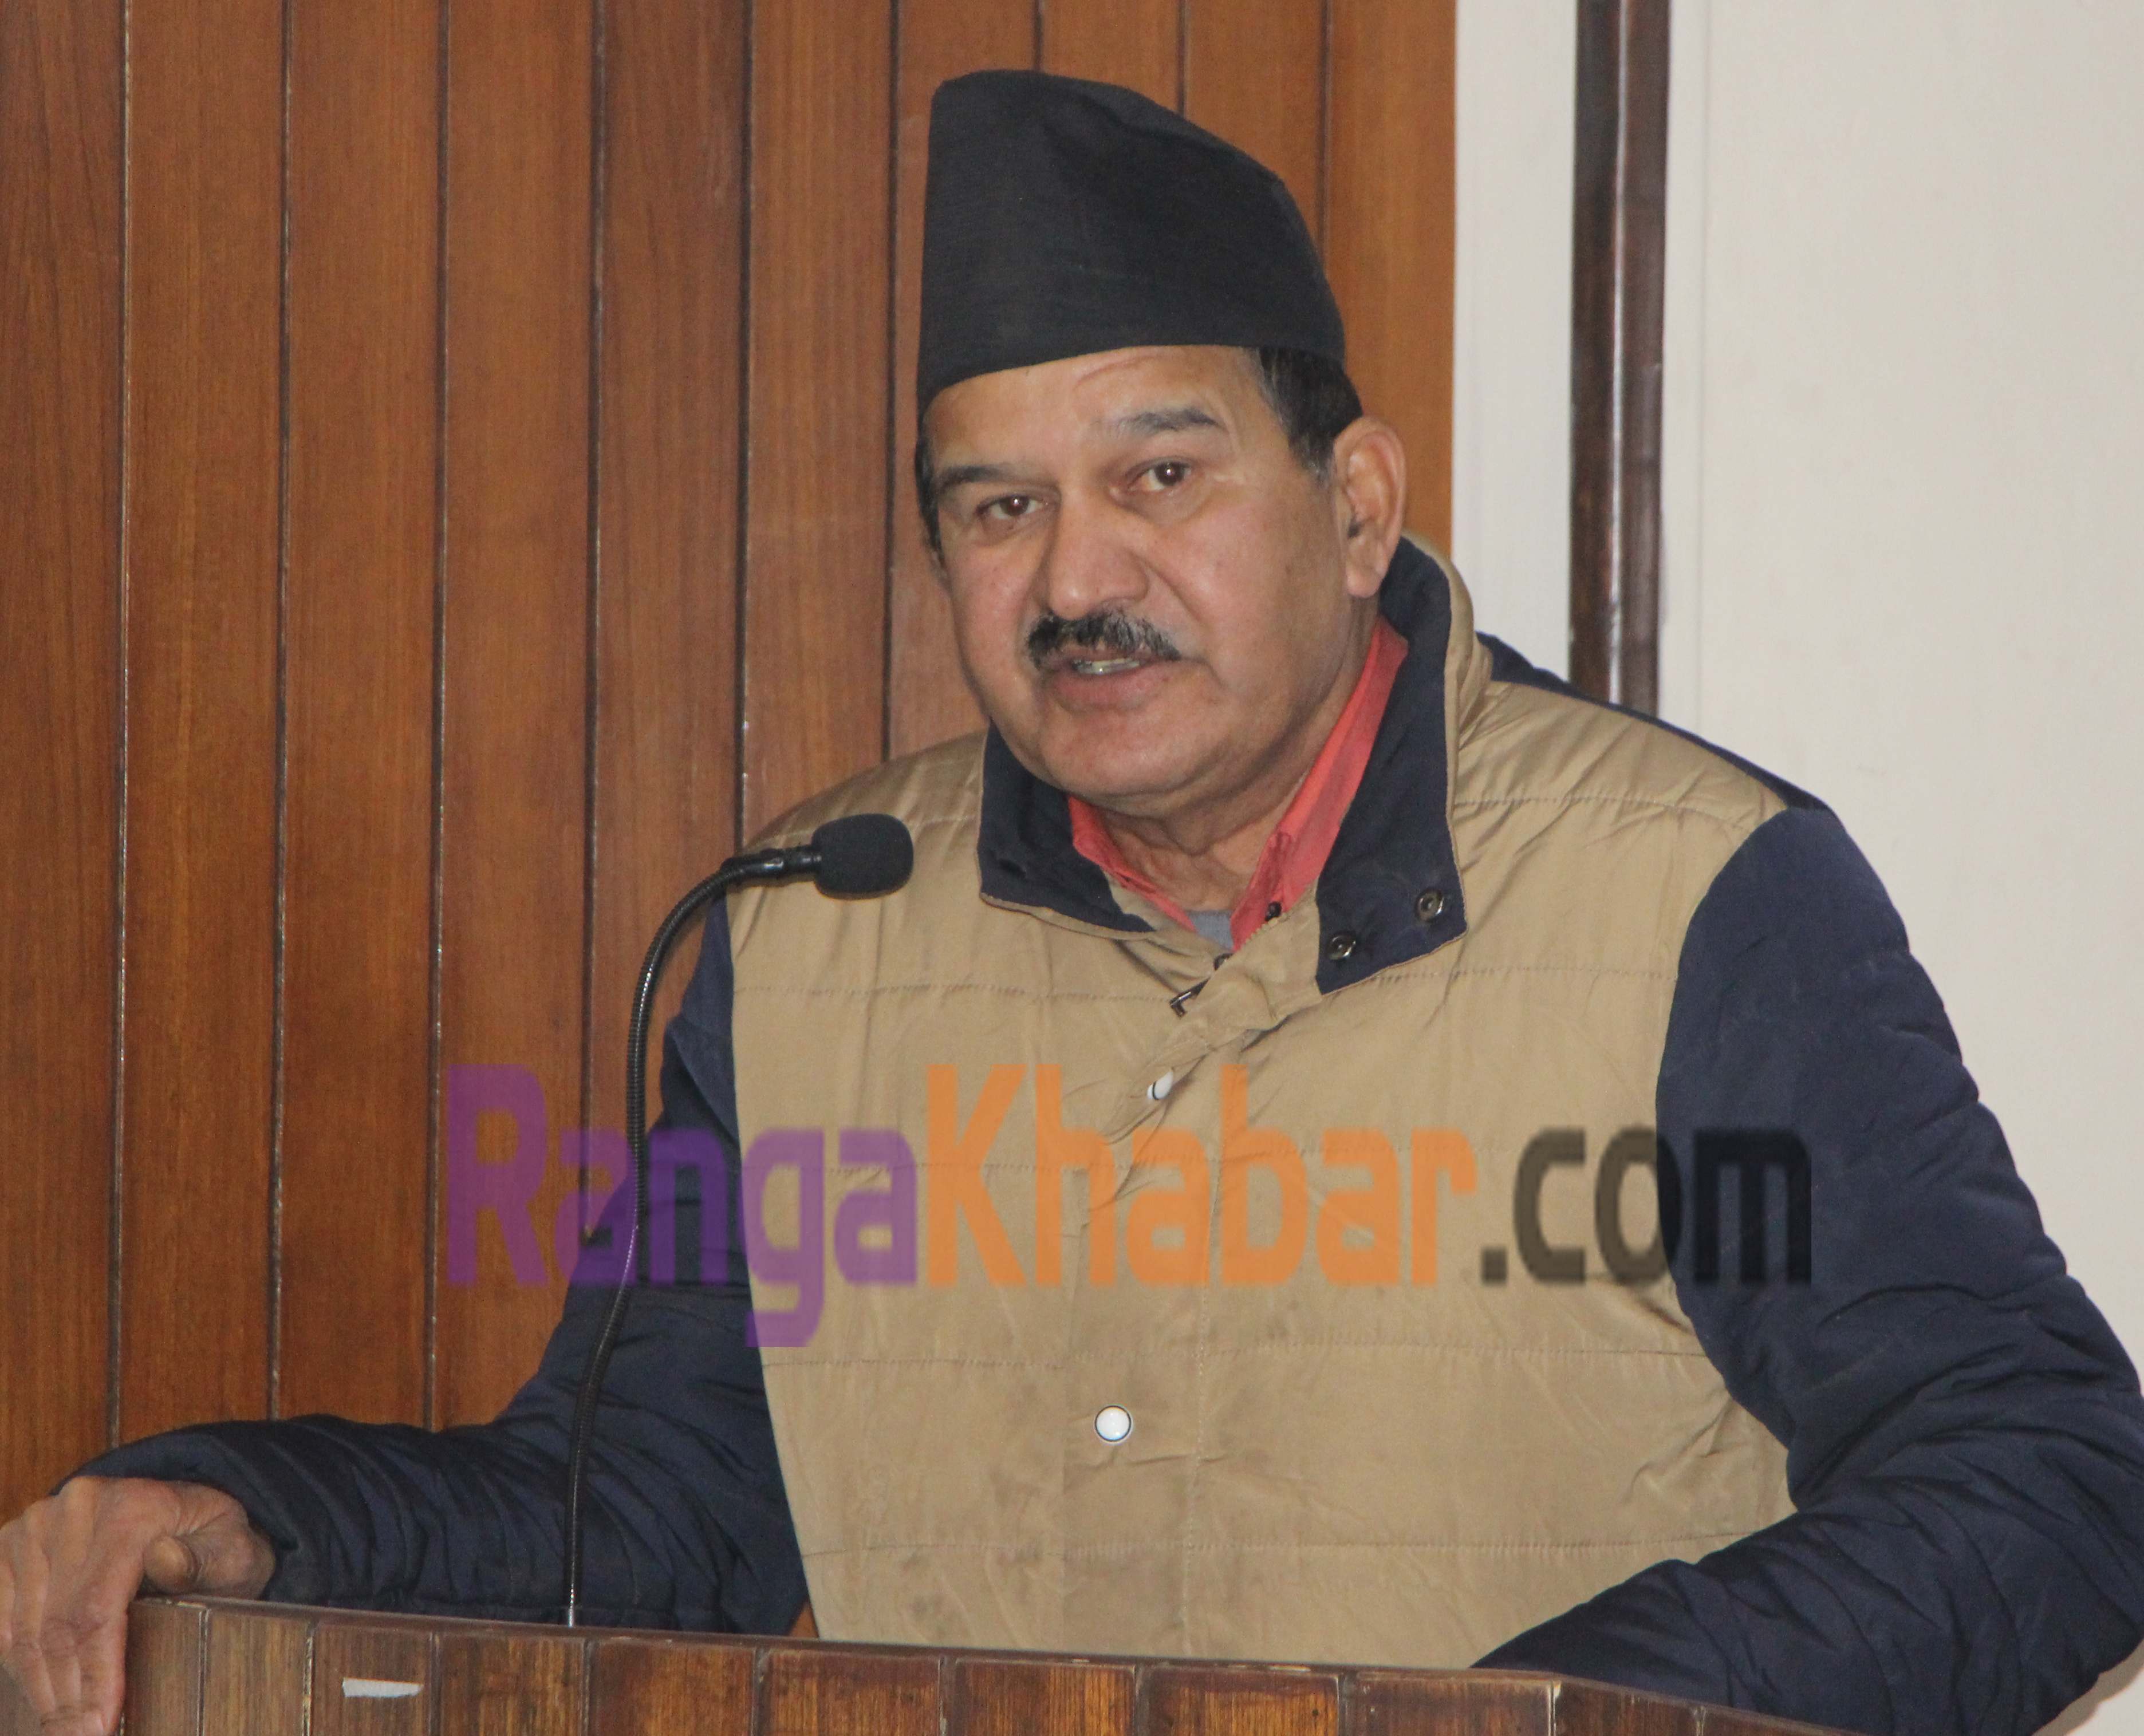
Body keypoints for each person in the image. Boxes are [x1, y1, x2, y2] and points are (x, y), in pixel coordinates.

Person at [5, 69, 2142, 1736]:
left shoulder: (1693, 897)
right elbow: (647, 1516)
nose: (1078, 578)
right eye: (1000, 508)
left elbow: (2048, 1476)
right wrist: (249, 1518)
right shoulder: (805, 941)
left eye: (1161, 477)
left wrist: (1545, 1725)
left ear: (1357, 505)